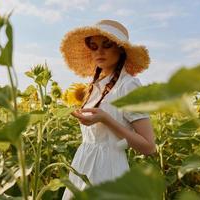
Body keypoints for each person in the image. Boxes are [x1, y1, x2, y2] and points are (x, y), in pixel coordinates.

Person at [60, 19, 156, 200]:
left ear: (120, 49)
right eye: (94, 46)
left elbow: (149, 147)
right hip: (83, 164)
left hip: (108, 170)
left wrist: (106, 119)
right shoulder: (95, 86)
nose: (100, 51)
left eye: (107, 45)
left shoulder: (129, 85)